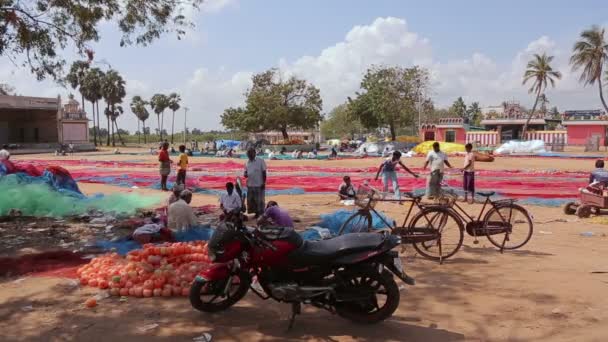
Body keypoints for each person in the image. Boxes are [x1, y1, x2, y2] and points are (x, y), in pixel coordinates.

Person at [244, 147, 267, 218]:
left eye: (250, 153)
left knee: (259, 200)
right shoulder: (247, 163)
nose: (249, 155)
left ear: (254, 153)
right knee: (252, 200)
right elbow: (246, 172)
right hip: (250, 184)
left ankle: (260, 213)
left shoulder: (260, 161)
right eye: (248, 154)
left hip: (259, 184)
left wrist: (263, 183)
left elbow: (264, 172)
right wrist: (245, 174)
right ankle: (256, 213)